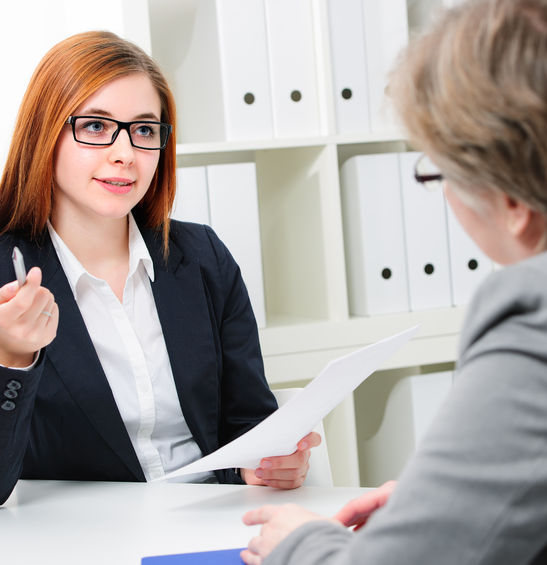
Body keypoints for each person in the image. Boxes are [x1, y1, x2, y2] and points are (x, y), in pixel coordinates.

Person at [241, 0, 547, 563]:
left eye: (437, 171)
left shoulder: (541, 310)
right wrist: (448, 504)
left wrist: (303, 544)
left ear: (512, 202)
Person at [0, 30, 319, 506]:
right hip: (84, 543)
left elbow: (247, 425)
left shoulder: (202, 257)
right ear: (46, 132)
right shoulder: (9, 276)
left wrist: (267, 464)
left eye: (145, 130)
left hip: (215, 523)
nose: (125, 153)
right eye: (95, 126)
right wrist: (11, 356)